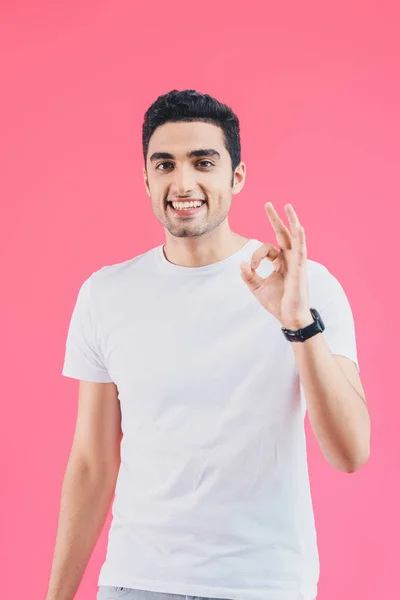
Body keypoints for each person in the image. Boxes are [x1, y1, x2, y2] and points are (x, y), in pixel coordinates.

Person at [46, 89, 370, 600]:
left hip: (263, 584)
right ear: (146, 179)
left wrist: (297, 323)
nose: (184, 182)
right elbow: (92, 462)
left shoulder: (305, 285)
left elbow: (351, 452)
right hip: (136, 582)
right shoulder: (105, 294)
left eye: (203, 162)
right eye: (165, 164)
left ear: (235, 177)